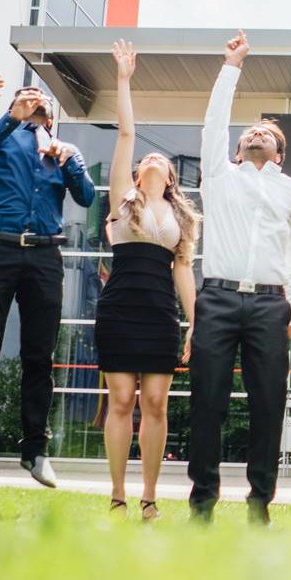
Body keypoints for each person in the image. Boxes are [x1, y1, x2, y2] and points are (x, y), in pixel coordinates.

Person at [0, 83, 97, 488]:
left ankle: (35, 450)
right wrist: (12, 116)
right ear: (14, 103)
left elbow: (85, 197)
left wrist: (69, 163)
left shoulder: (65, 151)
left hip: (45, 255)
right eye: (26, 94)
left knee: (39, 355)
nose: (35, 98)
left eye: (40, 97)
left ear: (50, 113)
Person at [187, 31, 291, 527]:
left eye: (267, 135)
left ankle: (260, 503)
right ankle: (202, 504)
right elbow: (213, 125)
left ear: (278, 154)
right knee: (207, 403)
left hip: (269, 306)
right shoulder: (219, 176)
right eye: (249, 134)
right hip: (216, 299)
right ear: (237, 150)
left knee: (268, 405)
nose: (255, 134)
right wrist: (231, 67)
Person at [97, 40, 200, 519]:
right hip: (120, 304)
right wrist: (123, 79)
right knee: (120, 399)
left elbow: (183, 269)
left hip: (160, 308)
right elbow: (124, 133)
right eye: (147, 159)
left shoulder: (178, 216)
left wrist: (194, 322)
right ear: (137, 172)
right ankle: (118, 494)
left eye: (162, 160)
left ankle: (150, 496)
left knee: (156, 402)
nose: (152, 159)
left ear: (171, 176)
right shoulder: (124, 200)